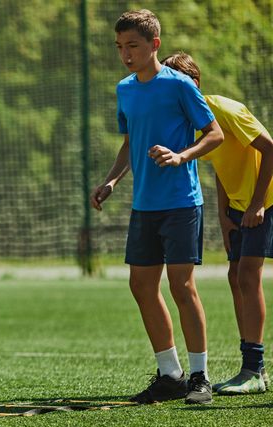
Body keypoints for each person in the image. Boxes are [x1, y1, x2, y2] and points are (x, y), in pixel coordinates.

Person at [90, 10, 224, 404]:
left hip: (182, 202)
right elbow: (131, 140)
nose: (126, 54)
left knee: (182, 286)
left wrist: (182, 157)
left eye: (132, 45)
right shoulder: (125, 89)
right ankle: (170, 374)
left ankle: (200, 376)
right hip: (144, 205)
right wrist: (112, 179)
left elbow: (213, 133)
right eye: (120, 47)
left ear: (154, 45)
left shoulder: (179, 85)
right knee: (141, 285)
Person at [162, 52, 273, 394]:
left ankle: (253, 371)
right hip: (241, 208)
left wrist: (256, 204)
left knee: (247, 274)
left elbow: (270, 149)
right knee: (235, 275)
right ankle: (255, 369)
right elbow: (219, 169)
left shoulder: (224, 109)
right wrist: (225, 216)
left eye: (174, 86)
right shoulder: (191, 122)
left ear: (194, 85)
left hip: (267, 201)